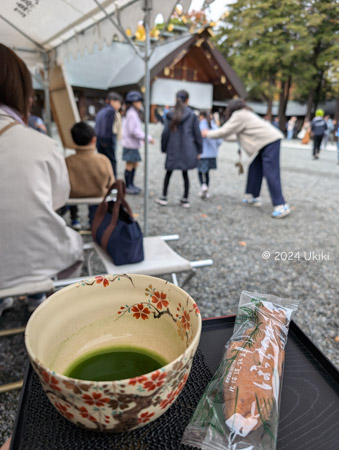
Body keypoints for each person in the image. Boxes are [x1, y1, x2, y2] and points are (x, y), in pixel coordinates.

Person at [0, 44, 83, 314]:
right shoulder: (41, 145)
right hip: (32, 262)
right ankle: (38, 298)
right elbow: (57, 199)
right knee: (51, 237)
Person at [202, 98, 290, 219]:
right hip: (267, 142)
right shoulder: (245, 114)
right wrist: (215, 135)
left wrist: (207, 133)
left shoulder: (240, 115)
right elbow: (231, 136)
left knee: (271, 173)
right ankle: (255, 197)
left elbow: (224, 131)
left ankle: (281, 205)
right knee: (255, 167)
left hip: (270, 142)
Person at [155, 90, 202, 208]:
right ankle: (185, 199)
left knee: (169, 172)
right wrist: (199, 150)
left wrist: (163, 147)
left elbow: (165, 133)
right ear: (187, 100)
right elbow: (197, 134)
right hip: (187, 149)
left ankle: (164, 197)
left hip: (172, 148)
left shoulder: (170, 114)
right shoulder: (192, 115)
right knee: (185, 173)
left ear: (175, 99)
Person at [64, 121, 115, 230]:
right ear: (94, 139)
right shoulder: (103, 160)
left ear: (73, 141)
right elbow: (111, 183)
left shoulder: (67, 161)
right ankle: (93, 220)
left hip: (72, 195)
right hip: (98, 194)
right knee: (97, 191)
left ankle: (75, 219)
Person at [121, 90, 154, 195]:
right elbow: (133, 131)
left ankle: (131, 184)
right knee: (130, 165)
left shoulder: (132, 113)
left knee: (134, 164)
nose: (140, 103)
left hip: (132, 144)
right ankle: (128, 185)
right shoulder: (132, 114)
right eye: (139, 101)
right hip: (130, 144)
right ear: (134, 102)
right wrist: (147, 138)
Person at [94, 92, 122, 178]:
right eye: (119, 102)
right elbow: (107, 126)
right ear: (112, 101)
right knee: (111, 161)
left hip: (99, 139)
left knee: (102, 161)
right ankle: (113, 182)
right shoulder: (111, 111)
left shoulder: (102, 110)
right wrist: (106, 141)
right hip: (107, 139)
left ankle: (103, 179)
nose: (119, 105)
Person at [198, 111, 221, 199]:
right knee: (207, 172)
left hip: (202, 153)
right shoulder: (214, 125)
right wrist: (215, 148)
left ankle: (203, 186)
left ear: (201, 116)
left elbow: (197, 139)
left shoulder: (201, 125)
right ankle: (206, 189)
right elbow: (220, 140)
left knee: (200, 171)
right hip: (212, 154)